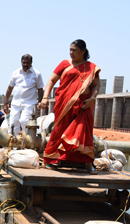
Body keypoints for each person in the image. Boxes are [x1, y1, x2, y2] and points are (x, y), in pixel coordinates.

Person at [38, 39, 100, 174]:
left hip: (83, 106)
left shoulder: (91, 67)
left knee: (84, 132)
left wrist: (92, 98)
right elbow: (51, 80)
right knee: (59, 130)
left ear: (83, 51)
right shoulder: (65, 64)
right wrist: (45, 97)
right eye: (70, 49)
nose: (71, 52)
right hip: (64, 104)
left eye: (74, 50)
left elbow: (96, 84)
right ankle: (50, 160)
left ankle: (88, 163)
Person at [4, 54, 44, 135]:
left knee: (24, 121)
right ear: (21, 62)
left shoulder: (37, 74)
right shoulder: (15, 73)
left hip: (29, 103)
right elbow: (9, 88)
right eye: (24, 62)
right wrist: (5, 103)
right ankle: (16, 144)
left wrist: (40, 101)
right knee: (14, 122)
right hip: (16, 102)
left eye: (27, 63)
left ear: (31, 62)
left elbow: (40, 89)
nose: (25, 65)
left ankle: (26, 141)